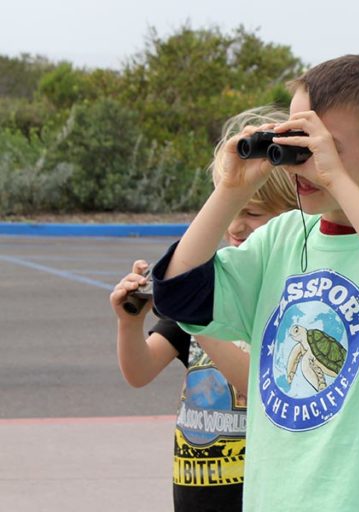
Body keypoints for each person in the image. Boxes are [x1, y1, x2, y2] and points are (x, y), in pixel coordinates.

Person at [150, 55, 359, 511]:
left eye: (325, 145)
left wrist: (334, 175)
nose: (307, 159)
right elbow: (179, 293)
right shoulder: (279, 239)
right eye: (298, 137)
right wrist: (231, 190)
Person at [109, 106, 298, 512]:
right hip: (196, 486)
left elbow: (260, 386)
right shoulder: (208, 287)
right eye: (229, 210)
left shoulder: (282, 296)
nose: (234, 225)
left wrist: (199, 318)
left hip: (257, 488)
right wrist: (130, 324)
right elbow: (139, 372)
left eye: (251, 212)